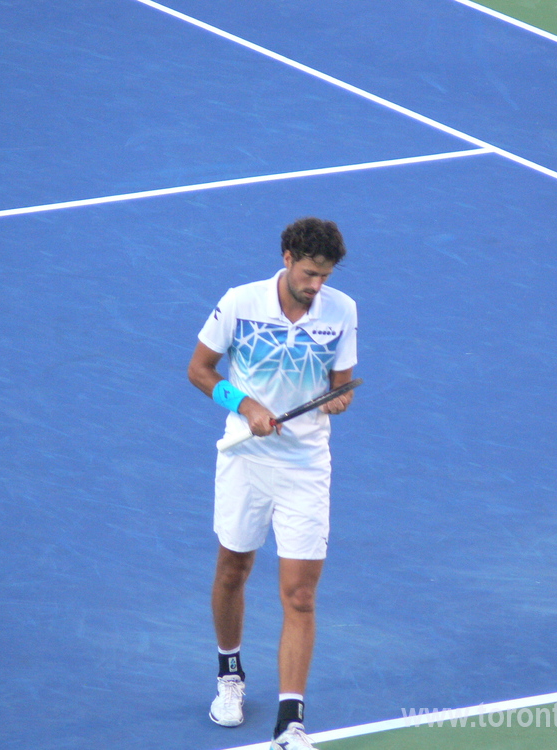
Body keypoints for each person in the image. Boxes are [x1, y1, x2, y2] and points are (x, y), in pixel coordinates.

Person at [187, 217, 358, 750]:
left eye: (324, 277)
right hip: (245, 459)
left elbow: (344, 384)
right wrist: (245, 404)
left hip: (306, 466)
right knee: (233, 569)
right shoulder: (239, 303)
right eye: (309, 274)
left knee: (301, 596)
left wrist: (338, 398)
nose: (316, 287)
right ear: (287, 258)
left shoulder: (343, 311)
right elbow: (199, 370)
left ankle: (291, 723)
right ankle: (230, 673)